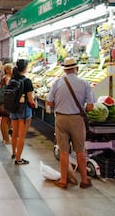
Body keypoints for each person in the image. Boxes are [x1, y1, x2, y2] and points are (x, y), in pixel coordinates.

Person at [46, 57, 95, 189]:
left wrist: (60, 103)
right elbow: (90, 107)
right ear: (76, 69)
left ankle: (63, 180)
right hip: (77, 119)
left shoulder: (57, 83)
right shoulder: (85, 83)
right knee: (80, 151)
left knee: (63, 152)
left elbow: (49, 102)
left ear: (65, 70)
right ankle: (84, 180)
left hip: (61, 119)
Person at [10, 59, 35, 165]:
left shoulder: (12, 80)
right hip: (24, 110)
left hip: (13, 109)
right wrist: (34, 104)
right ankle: (18, 159)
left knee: (14, 134)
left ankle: (14, 153)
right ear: (25, 68)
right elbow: (30, 100)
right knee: (22, 136)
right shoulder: (27, 81)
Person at [0, 63, 13, 144]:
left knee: (4, 119)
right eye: (11, 69)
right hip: (6, 101)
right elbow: (9, 88)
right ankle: (7, 139)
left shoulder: (4, 77)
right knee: (5, 120)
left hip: (3, 100)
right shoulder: (7, 78)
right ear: (7, 70)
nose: (13, 70)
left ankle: (5, 138)